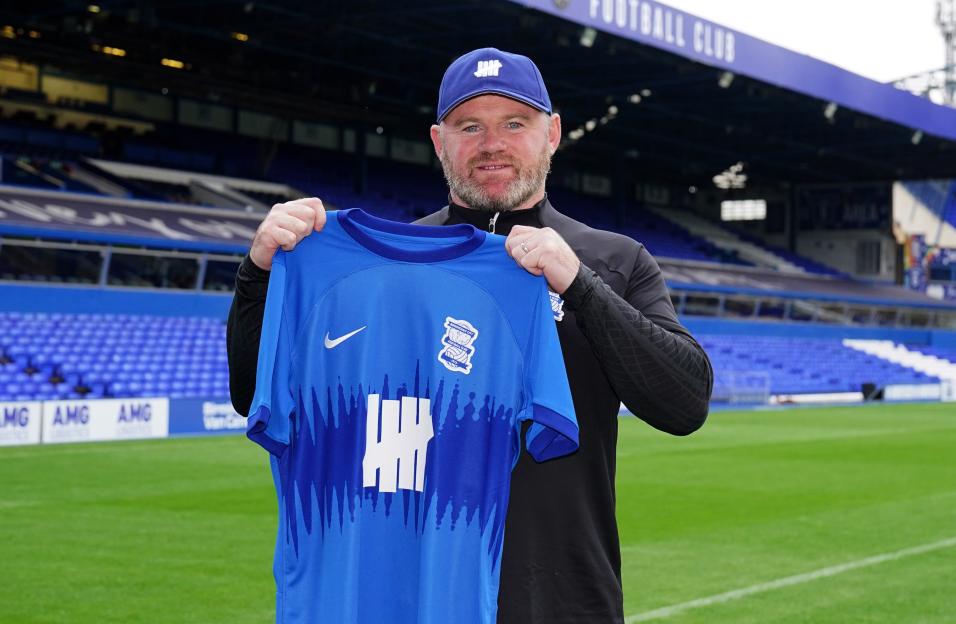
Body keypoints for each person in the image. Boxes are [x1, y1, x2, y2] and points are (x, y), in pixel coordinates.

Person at [228, 47, 713, 624]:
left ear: (552, 133)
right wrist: (258, 273)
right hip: (413, 598)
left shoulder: (612, 260)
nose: (492, 144)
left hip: (560, 599)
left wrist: (578, 285)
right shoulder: (381, 274)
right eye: (469, 126)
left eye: (515, 123)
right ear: (440, 142)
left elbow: (684, 404)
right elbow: (251, 394)